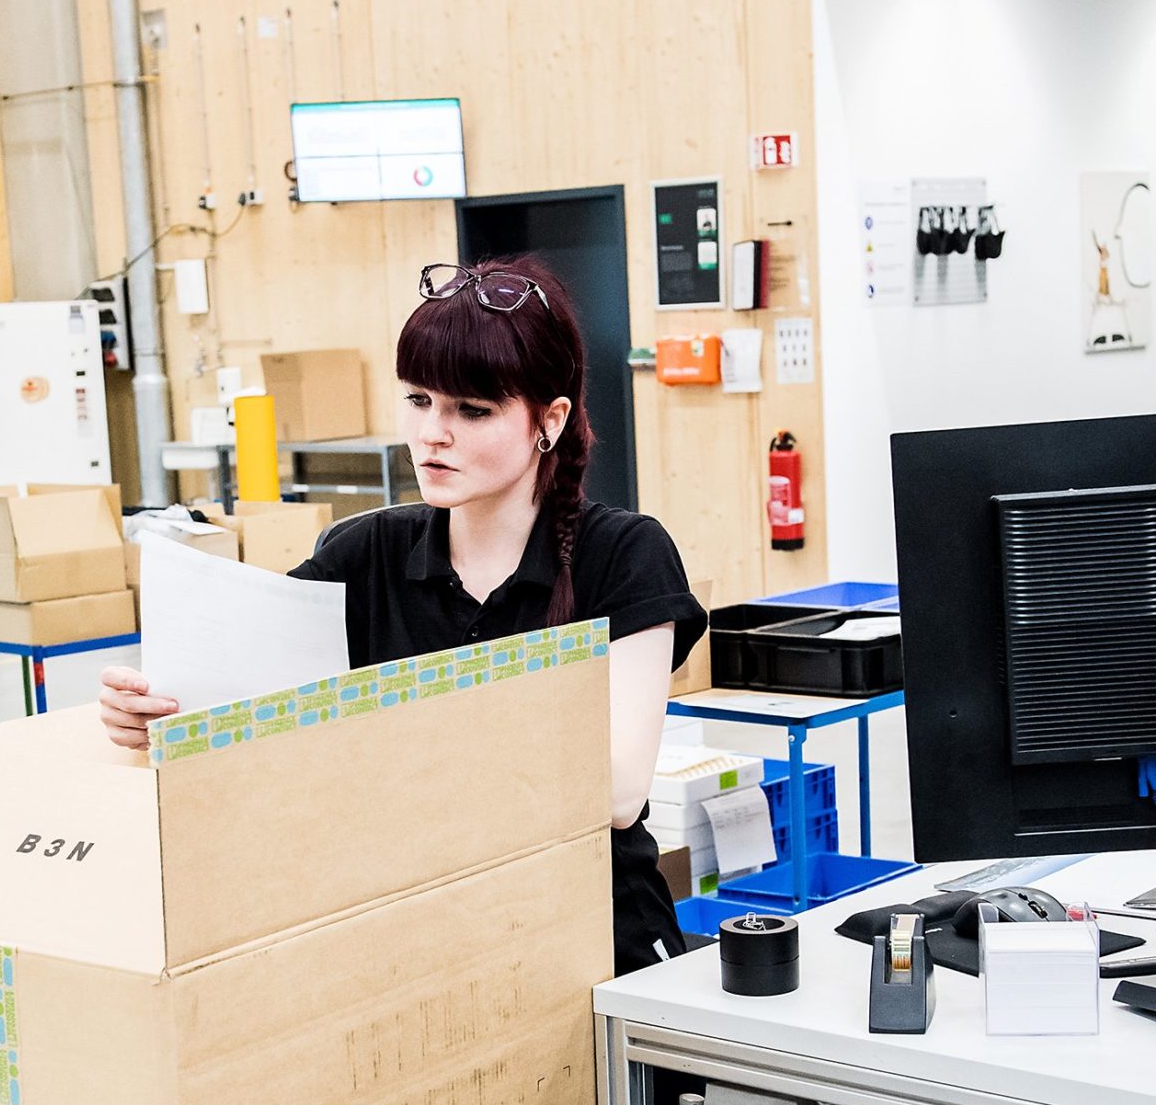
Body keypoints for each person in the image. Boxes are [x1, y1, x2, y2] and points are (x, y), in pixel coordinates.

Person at [96, 258, 707, 974]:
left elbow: (615, 790)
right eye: (418, 400)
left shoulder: (625, 555)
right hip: (415, 937)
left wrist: (382, 759)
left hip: (591, 935)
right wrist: (153, 707)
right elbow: (245, 705)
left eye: (471, 410)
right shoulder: (361, 558)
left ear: (550, 420)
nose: (432, 433)